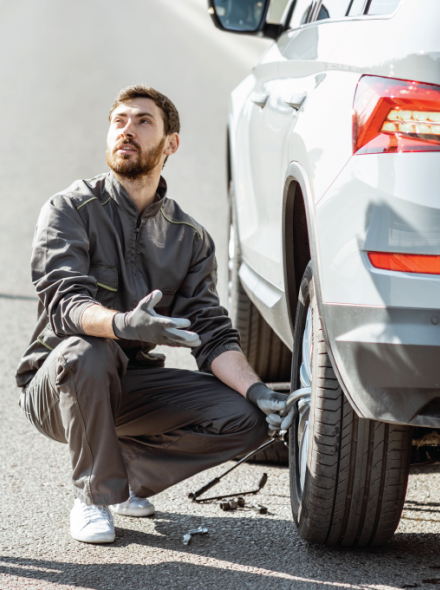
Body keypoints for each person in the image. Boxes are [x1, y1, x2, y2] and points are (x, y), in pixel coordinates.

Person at [18, 85, 292, 544]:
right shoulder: (69, 209)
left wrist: (259, 389)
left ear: (170, 144)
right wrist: (124, 323)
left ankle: (121, 475)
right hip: (59, 383)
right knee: (90, 351)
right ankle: (93, 496)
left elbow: (211, 332)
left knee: (247, 417)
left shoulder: (189, 238)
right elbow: (65, 305)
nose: (127, 130)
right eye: (119, 121)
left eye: (143, 121)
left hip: (132, 385)